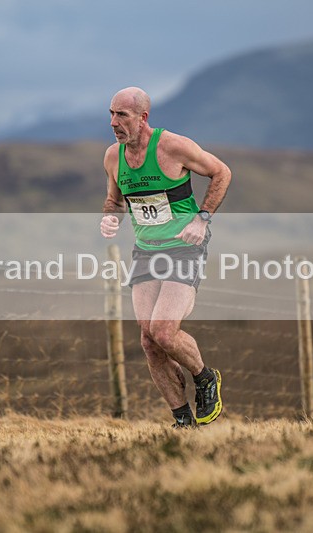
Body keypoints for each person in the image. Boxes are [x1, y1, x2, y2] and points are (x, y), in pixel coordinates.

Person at [100, 87, 232, 427]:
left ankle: (205, 378)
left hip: (184, 247)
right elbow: (114, 199)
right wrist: (110, 216)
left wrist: (202, 219)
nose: (114, 122)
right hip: (145, 251)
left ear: (143, 118)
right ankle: (183, 421)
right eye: (112, 114)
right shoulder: (113, 157)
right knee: (148, 340)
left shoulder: (173, 146)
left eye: (122, 116)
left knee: (163, 331)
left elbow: (222, 173)